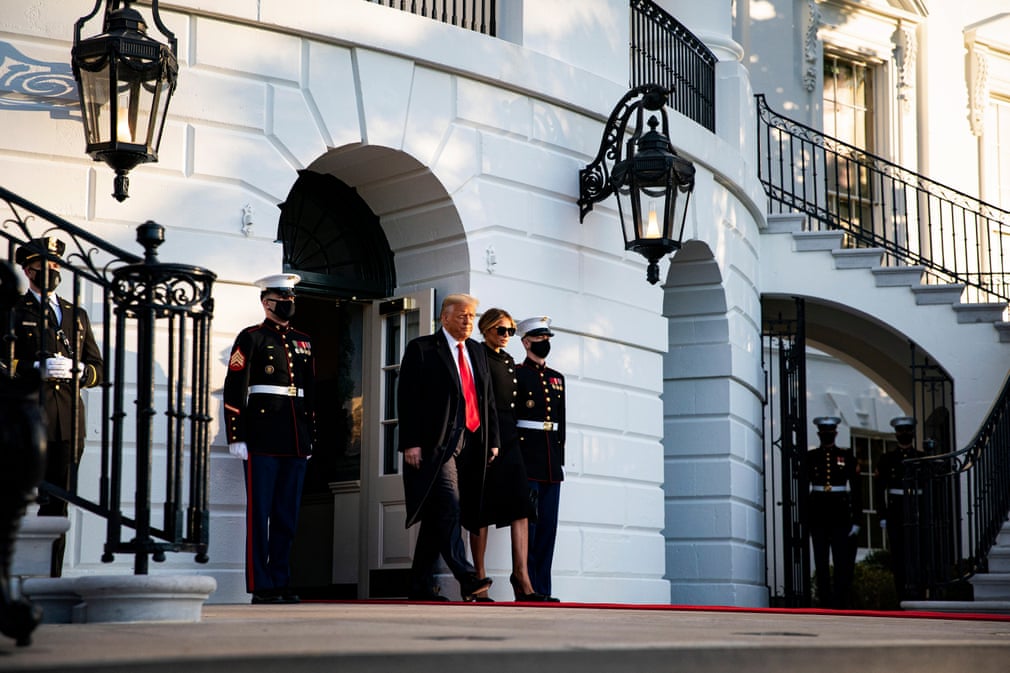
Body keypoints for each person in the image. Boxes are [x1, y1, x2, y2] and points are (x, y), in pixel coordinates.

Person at [397, 293, 499, 602]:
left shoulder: (478, 351)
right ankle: (467, 577)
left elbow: (487, 398)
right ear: (444, 318)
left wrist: (492, 440)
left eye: (471, 316)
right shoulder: (422, 348)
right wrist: (410, 442)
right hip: (436, 444)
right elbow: (407, 397)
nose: (468, 320)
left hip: (472, 443)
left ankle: (419, 585)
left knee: (437, 515)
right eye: (462, 315)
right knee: (449, 505)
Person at [11, 237, 102, 578]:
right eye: (44, 265)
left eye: (55, 265)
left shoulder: (75, 315)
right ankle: (15, 577)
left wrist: (81, 371)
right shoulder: (13, 312)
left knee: (56, 506)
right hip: (28, 418)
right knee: (16, 502)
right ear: (28, 269)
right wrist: (32, 369)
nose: (51, 270)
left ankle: (49, 579)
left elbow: (98, 368)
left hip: (67, 422)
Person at [223, 273, 315, 605]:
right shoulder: (251, 338)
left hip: (294, 439)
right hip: (262, 438)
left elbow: (309, 394)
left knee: (286, 516)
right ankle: (261, 585)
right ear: (267, 302)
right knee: (260, 514)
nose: (289, 303)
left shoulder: (303, 340)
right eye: (282, 298)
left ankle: (280, 579)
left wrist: (309, 439)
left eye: (292, 298)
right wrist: (237, 435)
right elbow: (235, 387)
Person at [464, 308, 548, 602]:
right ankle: (479, 580)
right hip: (484, 435)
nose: (507, 336)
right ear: (485, 329)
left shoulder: (509, 360)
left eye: (511, 331)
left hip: (510, 437)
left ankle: (522, 578)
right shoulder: (476, 355)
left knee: (521, 506)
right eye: (502, 330)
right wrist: (483, 439)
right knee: (481, 509)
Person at [515, 316, 565, 601]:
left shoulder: (558, 378)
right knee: (529, 530)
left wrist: (559, 458)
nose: (544, 344)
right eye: (538, 340)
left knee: (548, 528)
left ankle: (543, 589)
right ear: (525, 342)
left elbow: (562, 423)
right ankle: (527, 586)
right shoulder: (518, 373)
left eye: (547, 340)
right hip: (527, 460)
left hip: (550, 463)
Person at [806, 416, 861, 609]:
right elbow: (803, 489)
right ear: (819, 434)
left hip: (840, 513)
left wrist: (857, 519)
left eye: (829, 433)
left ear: (836, 434)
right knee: (820, 561)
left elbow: (856, 489)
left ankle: (839, 602)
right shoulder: (810, 457)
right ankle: (824, 602)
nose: (826, 436)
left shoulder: (847, 457)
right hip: (818, 512)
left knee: (840, 561)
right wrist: (805, 519)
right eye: (823, 433)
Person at [875, 416, 921, 602]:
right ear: (896, 434)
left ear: (912, 433)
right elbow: (879, 490)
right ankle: (901, 594)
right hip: (896, 510)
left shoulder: (921, 457)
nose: (904, 434)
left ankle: (918, 591)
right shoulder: (887, 459)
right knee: (898, 554)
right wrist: (882, 514)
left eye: (907, 430)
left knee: (918, 553)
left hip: (916, 508)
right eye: (901, 431)